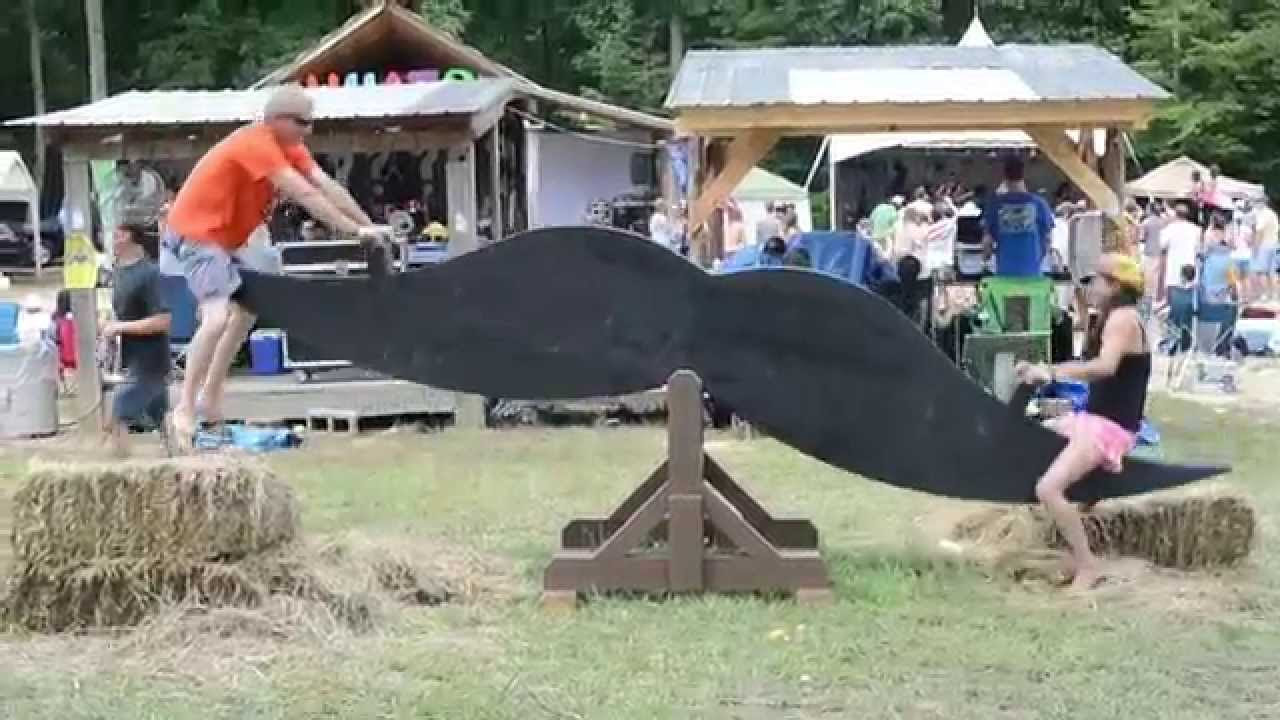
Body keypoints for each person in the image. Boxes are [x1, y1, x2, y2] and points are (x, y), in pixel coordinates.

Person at [163, 84, 385, 446]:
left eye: (311, 123)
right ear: (277, 119)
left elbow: (326, 185)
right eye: (303, 123)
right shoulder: (257, 142)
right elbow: (304, 194)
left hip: (229, 240)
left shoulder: (291, 146)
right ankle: (184, 408)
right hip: (198, 234)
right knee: (216, 317)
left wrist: (369, 225)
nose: (308, 130)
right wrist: (353, 231)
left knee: (250, 307)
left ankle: (210, 396)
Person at [1016, 253, 1151, 592]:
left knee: (1048, 488)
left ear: (1115, 286)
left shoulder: (1123, 319)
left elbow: (1104, 367)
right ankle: (1072, 525)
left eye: (1095, 280)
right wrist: (1042, 369)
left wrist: (1051, 373)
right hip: (1094, 420)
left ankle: (1088, 567)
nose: (1089, 286)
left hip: (1108, 428)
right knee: (1035, 441)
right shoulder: (1113, 317)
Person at [103, 223, 172, 458]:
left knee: (118, 413)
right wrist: (110, 327)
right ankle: (178, 455)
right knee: (162, 416)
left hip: (151, 359)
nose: (114, 240)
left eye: (120, 235)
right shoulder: (118, 273)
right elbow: (122, 313)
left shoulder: (150, 274)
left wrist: (119, 327)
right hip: (132, 357)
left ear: (135, 241)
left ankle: (119, 466)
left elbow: (163, 320)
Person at [982, 155, 1054, 276]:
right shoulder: (1040, 204)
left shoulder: (996, 205)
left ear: (1004, 175)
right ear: (1024, 174)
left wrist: (985, 258)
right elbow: (1048, 239)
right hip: (1032, 273)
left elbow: (987, 243)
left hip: (1005, 273)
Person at [1161, 202, 1202, 294]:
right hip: (1190, 268)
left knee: (1174, 295)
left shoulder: (1170, 228)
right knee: (1189, 294)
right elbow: (1198, 248)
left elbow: (1161, 245)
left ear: (1175, 214)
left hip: (1174, 268)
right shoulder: (1196, 229)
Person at [1139, 201, 1167, 301]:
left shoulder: (1146, 222)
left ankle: (1147, 299)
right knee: (1157, 277)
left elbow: (1142, 238)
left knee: (1147, 277)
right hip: (1160, 253)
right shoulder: (1164, 222)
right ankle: (1156, 298)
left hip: (1148, 252)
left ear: (1150, 210)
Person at [1252, 199, 1279, 301]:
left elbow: (1259, 232)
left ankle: (1264, 294)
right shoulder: (1273, 214)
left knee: (1261, 272)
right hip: (1275, 244)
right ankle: (1274, 295)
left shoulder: (1262, 214)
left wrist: (1255, 248)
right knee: (1272, 272)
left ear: (1261, 204)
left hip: (1264, 246)